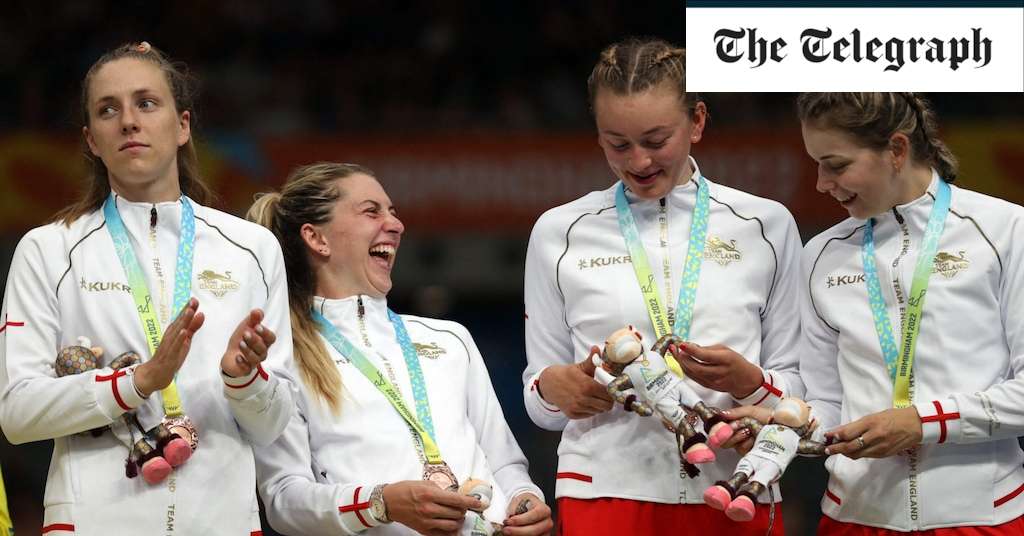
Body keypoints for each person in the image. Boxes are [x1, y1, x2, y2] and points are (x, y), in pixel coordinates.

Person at [0, 42, 293, 534]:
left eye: (146, 103)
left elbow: (273, 426)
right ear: (91, 139)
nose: (128, 121)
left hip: (222, 522)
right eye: (108, 110)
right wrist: (137, 383)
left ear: (182, 125)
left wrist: (245, 380)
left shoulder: (252, 249)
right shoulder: (48, 249)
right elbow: (17, 413)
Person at [521, 37, 803, 535]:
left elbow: (800, 387)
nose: (639, 162)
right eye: (617, 143)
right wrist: (554, 387)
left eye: (655, 141)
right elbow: (539, 402)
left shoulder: (766, 225)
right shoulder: (558, 232)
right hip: (606, 495)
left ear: (697, 121)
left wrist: (750, 385)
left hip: (733, 489)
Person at [248, 162, 552, 536]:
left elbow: (505, 464)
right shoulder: (285, 355)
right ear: (317, 238)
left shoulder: (450, 339)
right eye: (371, 211)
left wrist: (525, 499)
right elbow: (284, 499)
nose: (395, 224)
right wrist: (381, 503)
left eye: (393, 211)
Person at [797, 92, 1024, 534]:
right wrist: (782, 423)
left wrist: (923, 423)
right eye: (816, 164)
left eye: (837, 165)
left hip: (980, 518)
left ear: (897, 150)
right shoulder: (820, 255)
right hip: (853, 519)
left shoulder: (1006, 231)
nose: (822, 183)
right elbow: (825, 401)